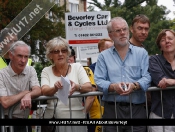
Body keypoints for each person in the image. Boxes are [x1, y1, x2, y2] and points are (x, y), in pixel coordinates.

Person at [94, 17, 151, 132]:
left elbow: (147, 77)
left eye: (124, 29)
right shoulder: (103, 56)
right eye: (118, 30)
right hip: (112, 110)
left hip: (136, 109)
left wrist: (135, 85)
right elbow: (99, 80)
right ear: (110, 35)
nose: (122, 33)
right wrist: (113, 86)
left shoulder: (141, 53)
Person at [41, 36, 92, 132]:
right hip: (53, 119)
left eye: (63, 50)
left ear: (67, 53)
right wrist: (55, 88)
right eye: (56, 51)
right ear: (50, 55)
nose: (60, 54)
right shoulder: (46, 71)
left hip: (75, 118)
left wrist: (77, 87)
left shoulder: (77, 67)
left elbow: (89, 87)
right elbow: (44, 90)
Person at [0, 41, 41, 132]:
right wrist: (24, 93)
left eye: (26, 56)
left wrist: (28, 95)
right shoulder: (1, 74)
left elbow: (38, 90)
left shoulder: (30, 70)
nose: (23, 60)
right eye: (19, 56)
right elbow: (5, 102)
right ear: (11, 55)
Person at [148, 29, 175, 132]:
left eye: (170, 38)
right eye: (163, 40)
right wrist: (165, 81)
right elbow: (159, 79)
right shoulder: (154, 60)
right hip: (160, 114)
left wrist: (171, 81)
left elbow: (167, 81)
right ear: (160, 45)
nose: (167, 41)